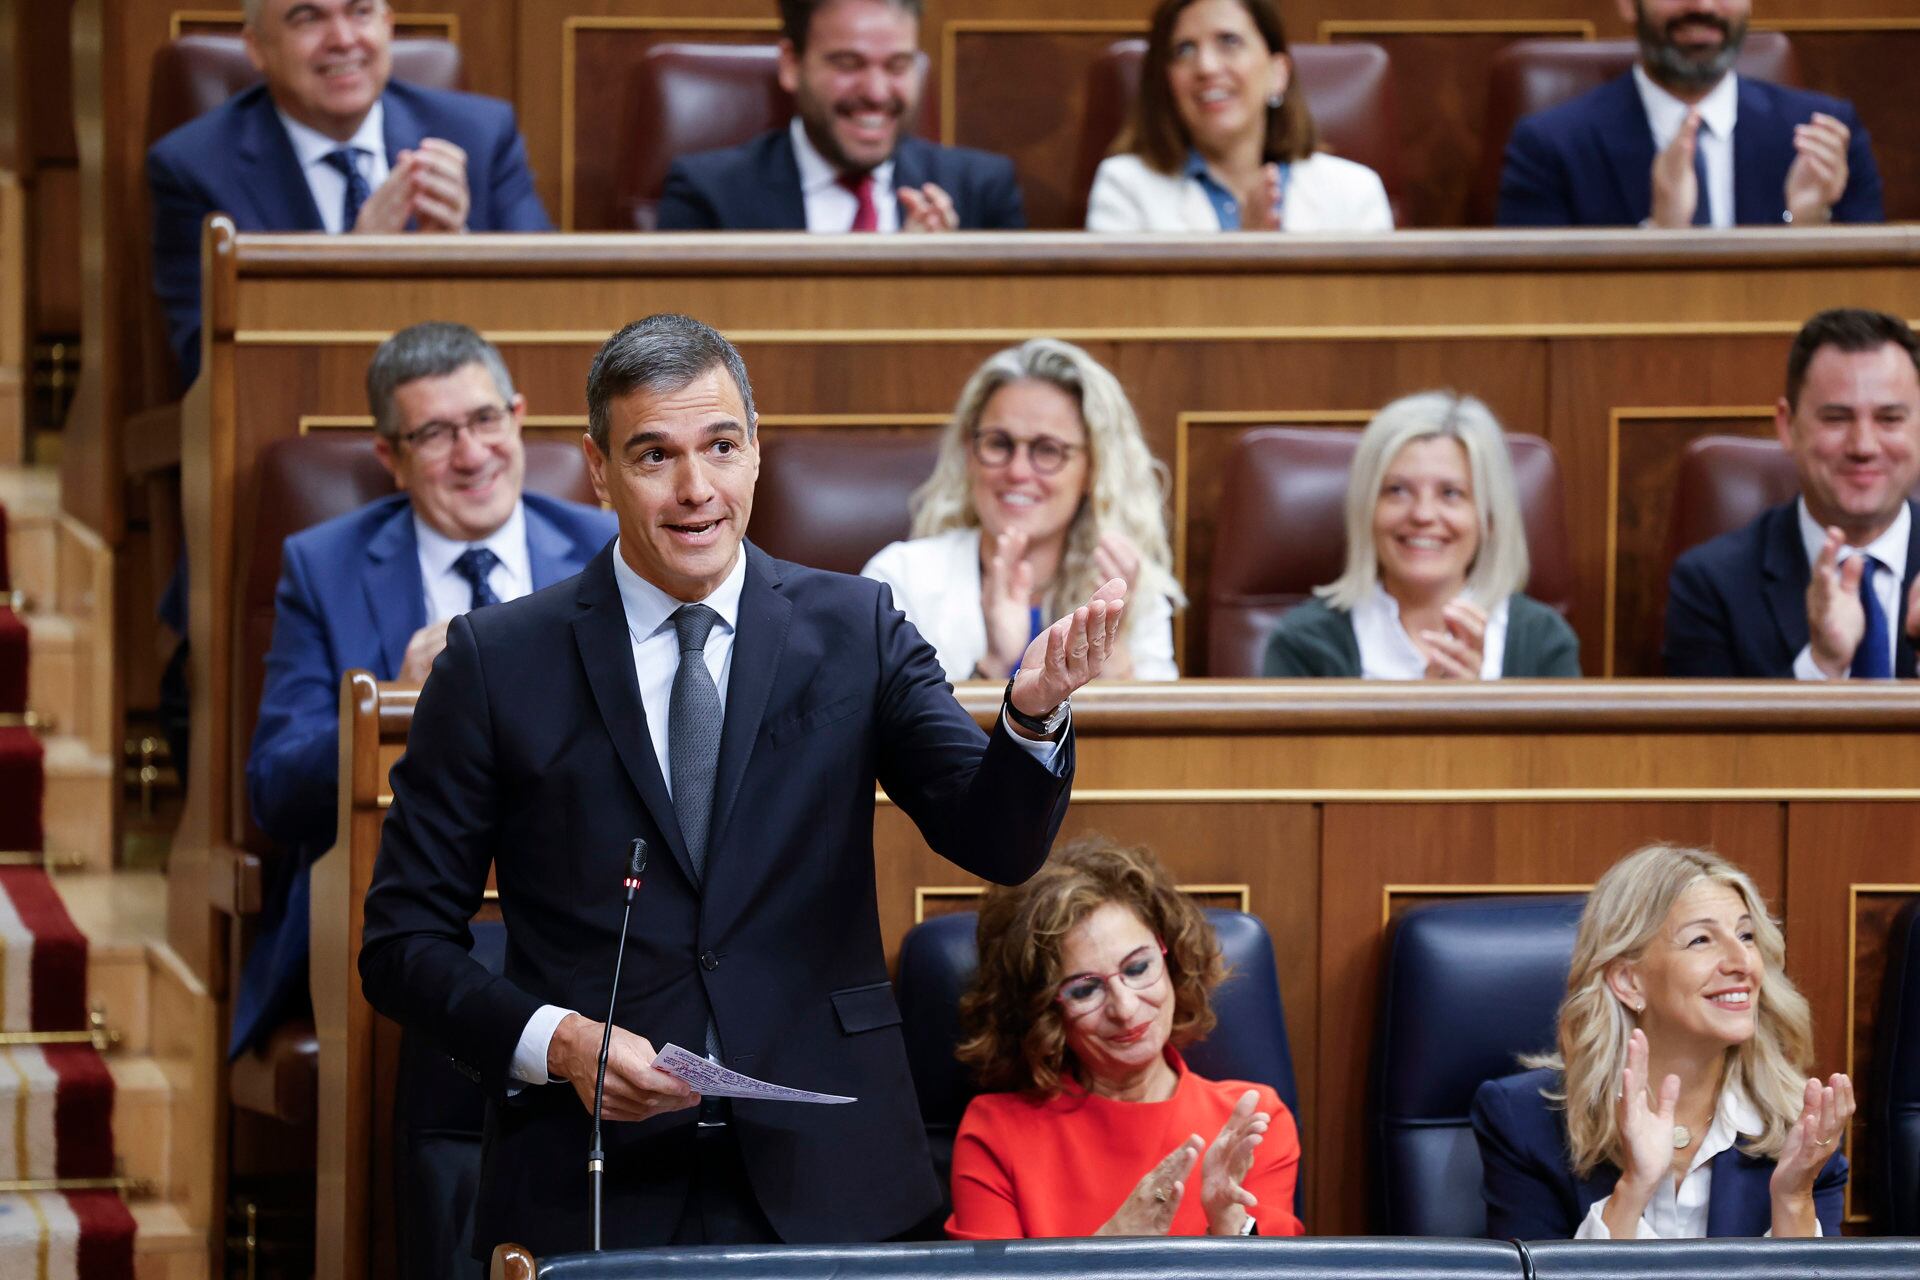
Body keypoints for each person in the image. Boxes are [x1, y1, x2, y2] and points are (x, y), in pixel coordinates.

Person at [358, 314, 1127, 1256]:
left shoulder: (857, 628)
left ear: (756, 453)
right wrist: (558, 1043)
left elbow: (996, 842)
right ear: (597, 470)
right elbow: (401, 946)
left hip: (833, 1170)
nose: (696, 491)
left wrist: (1033, 714)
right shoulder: (494, 662)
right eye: (653, 455)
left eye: (721, 447)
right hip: (596, 1175)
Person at [237, 322, 613, 1058]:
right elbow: (275, 788)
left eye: (484, 421)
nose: (472, 455)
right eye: (436, 434)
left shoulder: (606, 549)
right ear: (392, 457)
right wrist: (398, 702)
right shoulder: (325, 567)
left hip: (588, 896)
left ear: (519, 417)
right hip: (408, 907)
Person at [148, 0, 551, 384]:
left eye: (360, 12)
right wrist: (356, 257)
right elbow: (206, 364)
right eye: (307, 17)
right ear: (257, 48)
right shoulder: (195, 168)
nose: (342, 38)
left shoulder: (481, 135)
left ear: (387, 26)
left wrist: (463, 249)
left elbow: (551, 311)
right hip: (297, 429)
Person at [1472, 843, 1852, 1238]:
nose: (1741, 962)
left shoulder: (1801, 1129)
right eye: (1701, 940)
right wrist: (1634, 1187)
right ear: (1627, 980)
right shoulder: (1524, 1122)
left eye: (1747, 935)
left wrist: (1793, 1199)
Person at [945, 835, 1303, 1239]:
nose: (1125, 1009)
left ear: (1171, 957)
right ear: (1045, 1010)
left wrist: (1229, 1227)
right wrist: (1111, 1249)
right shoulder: (995, 1133)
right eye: (1084, 989)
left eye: (1137, 968)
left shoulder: (1253, 1120)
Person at [862, 339, 1183, 682]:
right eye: (999, 443)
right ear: (970, 454)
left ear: (1093, 469)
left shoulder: (1134, 590)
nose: (1017, 471)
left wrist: (1113, 650)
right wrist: (995, 664)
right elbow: (885, 732)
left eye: (1048, 450)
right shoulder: (899, 580)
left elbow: (1156, 734)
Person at [1665, 308, 1920, 678]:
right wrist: (1821, 666)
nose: (1863, 446)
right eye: (1836, 418)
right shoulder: (1711, 585)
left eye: (1889, 419)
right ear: (1787, 426)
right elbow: (1706, 738)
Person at [1262, 392, 1580, 679]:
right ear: (1366, 509)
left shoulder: (1543, 642)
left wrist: (1478, 712)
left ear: (1490, 517)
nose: (1423, 514)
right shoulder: (1302, 644)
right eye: (1397, 491)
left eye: (1451, 493)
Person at [1497, 0, 1882, 228]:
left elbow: (1870, 319)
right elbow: (1534, 311)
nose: (1702, 5)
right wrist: (1660, 236)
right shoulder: (1550, 148)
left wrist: (1808, 229)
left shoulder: (1827, 137)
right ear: (1629, 4)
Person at [656, 0, 1025, 231]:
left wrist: (942, 274)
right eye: (848, 65)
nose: (877, 93)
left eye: (898, 66)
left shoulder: (982, 192)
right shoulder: (708, 196)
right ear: (791, 64)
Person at [1085, 0, 1391, 233]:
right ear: (1167, 81)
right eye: (1184, 50)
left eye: (1229, 42)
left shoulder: (1354, 192)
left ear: (1277, 73)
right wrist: (1244, 248)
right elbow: (1127, 315)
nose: (1206, 67)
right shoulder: (1124, 187)